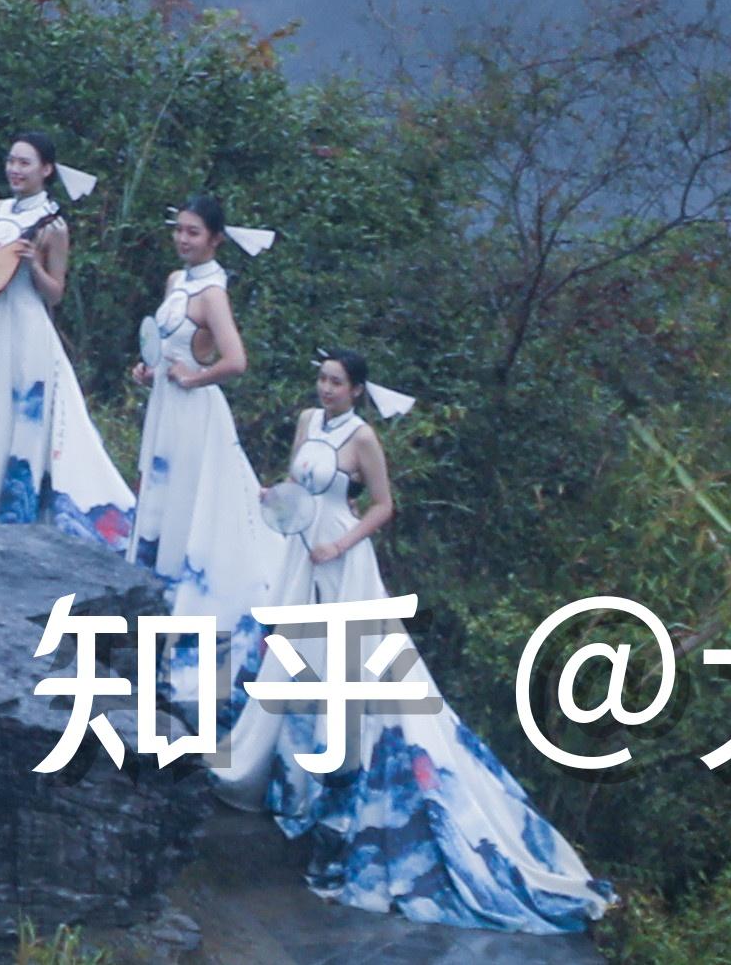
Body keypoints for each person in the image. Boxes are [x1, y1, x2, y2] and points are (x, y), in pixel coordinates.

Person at [244, 355, 611, 929]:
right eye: (323, 380)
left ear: (358, 390)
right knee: (295, 649)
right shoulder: (307, 421)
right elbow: (297, 483)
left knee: (350, 659)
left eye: (337, 383)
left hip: (340, 549)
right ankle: (290, 769)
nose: (327, 389)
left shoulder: (362, 438)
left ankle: (344, 768)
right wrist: (277, 498)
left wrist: (340, 546)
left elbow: (384, 505)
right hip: (302, 547)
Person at [127, 199, 282, 763]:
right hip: (167, 406)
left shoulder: (213, 292)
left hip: (195, 413)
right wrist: (154, 370)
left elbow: (236, 359)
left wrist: (196, 377)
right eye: (180, 230)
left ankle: (189, 612)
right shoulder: (177, 281)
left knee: (194, 508)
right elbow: (169, 343)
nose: (183, 240)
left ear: (216, 239)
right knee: (161, 499)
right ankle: (154, 594)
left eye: (194, 233)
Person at [0, 144, 139, 539]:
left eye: (24, 163)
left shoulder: (53, 226)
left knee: (23, 417)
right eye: (11, 161)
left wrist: (32, 263)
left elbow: (55, 294)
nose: (15, 169)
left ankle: (18, 510)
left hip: (28, 327)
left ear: (46, 169)